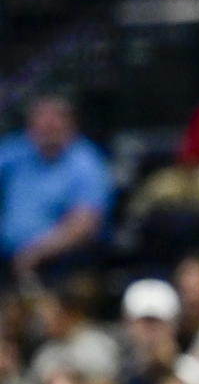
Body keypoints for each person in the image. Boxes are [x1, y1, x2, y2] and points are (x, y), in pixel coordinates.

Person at [0, 95, 114, 282]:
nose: (47, 124)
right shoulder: (17, 151)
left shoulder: (86, 163)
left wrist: (36, 252)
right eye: (41, 116)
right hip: (7, 258)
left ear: (71, 123)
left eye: (56, 117)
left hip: (60, 264)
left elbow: (84, 225)